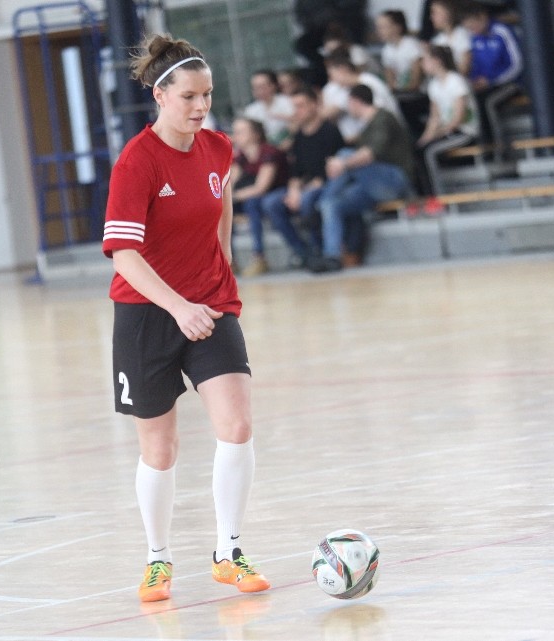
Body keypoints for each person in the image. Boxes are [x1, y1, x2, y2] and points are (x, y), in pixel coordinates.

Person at [102, 33, 271, 603]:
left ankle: (228, 551)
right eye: (190, 97)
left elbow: (221, 202)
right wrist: (177, 307)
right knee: (160, 450)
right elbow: (125, 255)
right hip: (147, 315)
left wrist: (223, 262)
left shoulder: (218, 147)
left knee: (237, 425)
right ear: (160, 96)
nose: (202, 106)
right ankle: (157, 559)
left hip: (211, 304)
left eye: (208, 95)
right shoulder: (137, 162)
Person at [311, 84, 415, 273]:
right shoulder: (366, 126)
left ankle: (321, 200)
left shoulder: (383, 118)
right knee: (332, 205)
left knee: (345, 155)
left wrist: (342, 164)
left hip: (395, 180)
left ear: (355, 101)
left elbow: (370, 155)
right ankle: (332, 256)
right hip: (371, 185)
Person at [261, 87, 346, 263]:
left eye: (301, 106)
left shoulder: (330, 131)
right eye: (294, 107)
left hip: (327, 185)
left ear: (314, 105)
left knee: (307, 199)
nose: (296, 111)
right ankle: (302, 252)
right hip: (305, 186)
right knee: (271, 203)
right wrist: (293, 191)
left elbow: (331, 171)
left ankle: (319, 249)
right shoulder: (299, 136)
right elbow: (295, 170)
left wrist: (301, 192)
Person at [458, 1, 524, 162]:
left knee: (489, 103)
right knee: (471, 100)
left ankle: (498, 148)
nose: (472, 30)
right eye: (469, 28)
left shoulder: (502, 31)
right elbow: (476, 66)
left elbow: (516, 64)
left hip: (510, 83)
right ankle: (482, 146)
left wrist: (492, 80)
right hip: (487, 85)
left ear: (482, 17)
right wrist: (474, 81)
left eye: (473, 25)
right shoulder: (475, 38)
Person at [416, 45, 480, 195]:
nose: (422, 64)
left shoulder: (456, 81)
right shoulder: (433, 85)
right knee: (418, 150)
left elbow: (458, 119)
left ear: (437, 60)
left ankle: (437, 196)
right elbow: (434, 117)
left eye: (425, 60)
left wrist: (437, 134)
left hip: (464, 132)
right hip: (447, 132)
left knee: (429, 153)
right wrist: (425, 138)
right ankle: (425, 196)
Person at [230, 117, 290, 277]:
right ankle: (229, 261)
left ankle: (259, 257)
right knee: (224, 209)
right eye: (235, 132)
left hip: (276, 193)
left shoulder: (269, 152)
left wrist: (233, 196)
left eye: (241, 132)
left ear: (256, 135)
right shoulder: (240, 156)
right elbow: (230, 183)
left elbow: (261, 188)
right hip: (249, 196)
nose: (236, 136)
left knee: (252, 204)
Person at [321, 46, 405, 142]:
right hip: (375, 137)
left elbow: (381, 120)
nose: (332, 80)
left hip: (391, 136)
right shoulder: (350, 88)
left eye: (332, 75)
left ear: (342, 70)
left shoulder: (369, 82)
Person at [376, 10, 425, 93]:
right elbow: (389, 76)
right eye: (378, 27)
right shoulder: (386, 49)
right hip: (399, 92)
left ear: (397, 27)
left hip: (417, 93)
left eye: (383, 27)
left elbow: (417, 78)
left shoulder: (411, 45)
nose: (379, 31)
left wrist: (407, 91)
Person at [242, 69, 295, 146]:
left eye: (262, 86)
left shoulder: (288, 102)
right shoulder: (250, 110)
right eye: (255, 87)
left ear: (273, 86)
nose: (259, 91)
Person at [427, 0, 473, 76]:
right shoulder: (437, 40)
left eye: (435, 13)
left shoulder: (463, 34)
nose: (431, 17)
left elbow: (464, 69)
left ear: (447, 13)